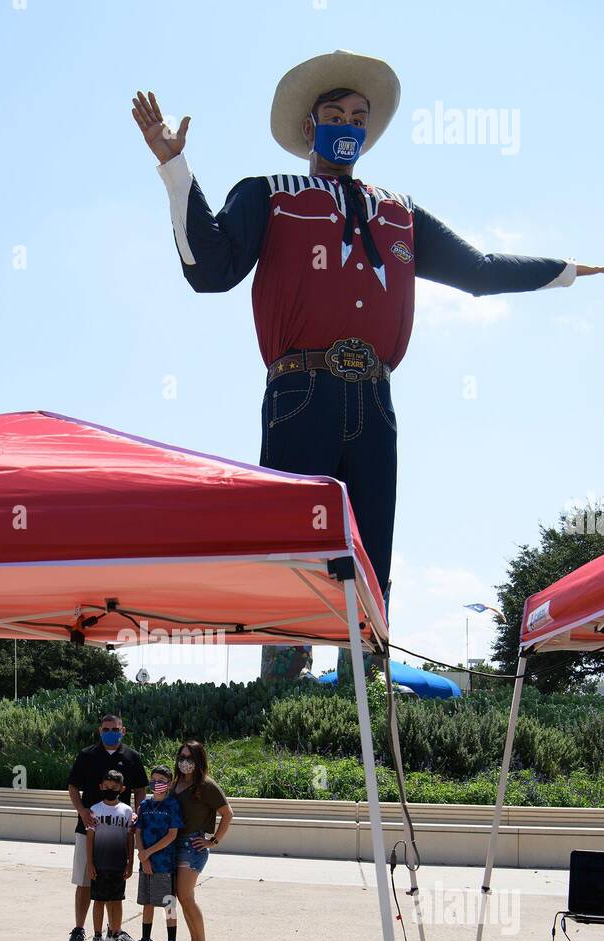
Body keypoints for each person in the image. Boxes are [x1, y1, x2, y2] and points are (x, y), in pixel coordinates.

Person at [133, 51, 603, 679]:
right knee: (296, 539)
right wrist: (174, 165)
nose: (347, 123)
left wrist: (563, 271)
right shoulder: (269, 195)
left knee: (370, 546)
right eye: (334, 114)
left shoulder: (400, 211)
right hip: (302, 387)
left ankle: (364, 678)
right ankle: (284, 680)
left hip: (376, 395)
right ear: (311, 128)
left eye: (358, 114)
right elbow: (210, 269)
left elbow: (479, 272)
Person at [67, 714, 147, 941]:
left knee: (115, 884)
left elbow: (141, 789)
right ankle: (80, 929)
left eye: (115, 728)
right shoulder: (87, 755)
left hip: (120, 833)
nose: (110, 731)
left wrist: (137, 814)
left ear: (123, 730)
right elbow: (72, 786)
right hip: (88, 829)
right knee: (84, 881)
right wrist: (81, 810)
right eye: (106, 728)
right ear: (99, 730)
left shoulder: (133, 757)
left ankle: (116, 931)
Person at [171, 741, 233, 941]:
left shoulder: (206, 785)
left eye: (190, 758)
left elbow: (227, 814)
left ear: (199, 761)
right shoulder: (175, 783)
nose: (185, 762)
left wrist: (213, 840)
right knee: (182, 896)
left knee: (185, 895)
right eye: (182, 757)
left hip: (193, 846)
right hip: (174, 844)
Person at [130, 764, 184, 941]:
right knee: (147, 902)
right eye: (153, 780)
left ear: (168, 784)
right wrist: (143, 855)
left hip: (165, 863)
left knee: (168, 903)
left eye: (161, 781)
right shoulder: (145, 805)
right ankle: (145, 940)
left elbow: (172, 835)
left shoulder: (172, 805)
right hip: (146, 864)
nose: (156, 784)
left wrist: (149, 853)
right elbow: (138, 832)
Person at [85, 770, 135, 941]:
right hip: (99, 864)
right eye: (106, 787)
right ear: (101, 786)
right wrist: (89, 863)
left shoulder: (127, 811)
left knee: (117, 901)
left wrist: (130, 863)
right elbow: (89, 838)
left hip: (118, 864)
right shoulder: (94, 810)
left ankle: (115, 936)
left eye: (114, 788)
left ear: (122, 789)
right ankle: (97, 936)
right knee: (98, 900)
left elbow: (130, 838)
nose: (110, 790)